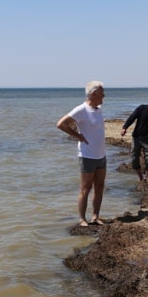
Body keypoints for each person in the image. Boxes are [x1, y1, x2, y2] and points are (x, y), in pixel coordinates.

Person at [56, 81, 107, 227]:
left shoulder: (98, 109)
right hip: (87, 155)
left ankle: (95, 216)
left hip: (101, 155)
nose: (104, 95)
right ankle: (82, 219)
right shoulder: (81, 109)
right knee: (85, 188)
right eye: (102, 92)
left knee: (100, 186)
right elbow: (60, 124)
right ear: (93, 94)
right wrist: (77, 136)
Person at [121, 94, 148, 183]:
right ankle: (140, 177)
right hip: (136, 138)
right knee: (134, 159)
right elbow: (132, 118)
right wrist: (124, 128)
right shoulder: (141, 108)